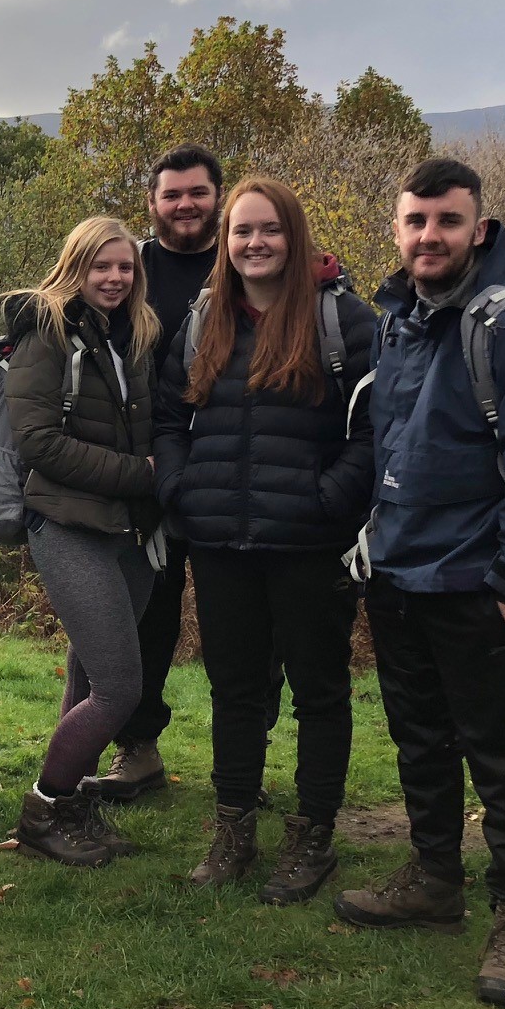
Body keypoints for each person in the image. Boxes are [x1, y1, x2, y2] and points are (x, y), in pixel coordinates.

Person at [332, 157, 505, 1009]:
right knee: (421, 741)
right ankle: (434, 878)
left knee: (502, 755)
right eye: (416, 221)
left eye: (446, 221)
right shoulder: (398, 321)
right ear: (396, 231)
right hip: (398, 574)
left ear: (479, 228)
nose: (429, 236)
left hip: (477, 584)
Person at [154, 179, 376, 903]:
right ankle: (234, 830)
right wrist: (183, 489)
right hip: (221, 541)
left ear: (295, 235)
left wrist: (330, 499)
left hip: (311, 544)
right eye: (242, 230)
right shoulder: (203, 319)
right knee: (236, 693)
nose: (255, 243)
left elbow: (378, 428)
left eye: (270, 230)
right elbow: (166, 415)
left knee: (319, 691)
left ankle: (312, 837)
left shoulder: (342, 319)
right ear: (226, 239)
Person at [0, 218, 161, 867]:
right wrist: (141, 476)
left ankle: (73, 808)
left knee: (92, 670)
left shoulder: (141, 333)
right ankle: (45, 808)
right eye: (101, 267)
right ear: (76, 266)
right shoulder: (48, 332)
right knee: (120, 686)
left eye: (124, 267)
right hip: (68, 526)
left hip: (130, 529)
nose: (114, 278)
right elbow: (37, 443)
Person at [95, 143, 222, 802]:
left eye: (196, 192)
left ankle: (241, 757)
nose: (184, 204)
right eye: (171, 195)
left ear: (216, 196)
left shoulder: (246, 260)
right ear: (152, 204)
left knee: (241, 624)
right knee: (147, 618)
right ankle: (137, 750)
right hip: (148, 473)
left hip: (236, 468)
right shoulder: (131, 266)